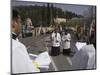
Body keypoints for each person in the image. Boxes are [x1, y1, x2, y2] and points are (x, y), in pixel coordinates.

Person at [12, 9, 40, 74]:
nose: (21, 25)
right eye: (20, 22)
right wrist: (36, 65)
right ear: (14, 23)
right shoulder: (17, 47)